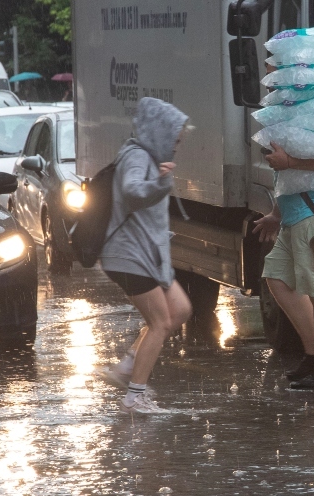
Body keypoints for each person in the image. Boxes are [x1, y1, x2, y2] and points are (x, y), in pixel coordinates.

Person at [98, 97, 193, 414]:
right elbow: (134, 192)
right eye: (174, 140)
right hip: (129, 256)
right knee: (159, 322)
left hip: (148, 256)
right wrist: (161, 183)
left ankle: (127, 367)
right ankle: (134, 398)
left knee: (179, 310)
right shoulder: (137, 157)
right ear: (159, 133)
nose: (176, 147)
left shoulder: (148, 156)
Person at [252, 142, 314, 390]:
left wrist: (289, 162)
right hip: (294, 215)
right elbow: (286, 177)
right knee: (277, 276)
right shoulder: (293, 108)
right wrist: (277, 213)